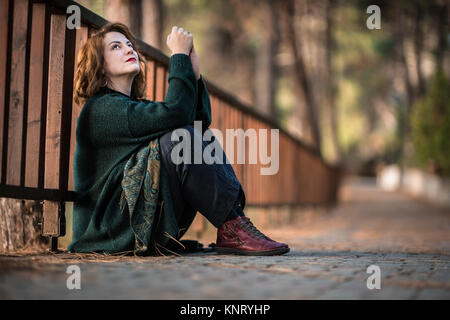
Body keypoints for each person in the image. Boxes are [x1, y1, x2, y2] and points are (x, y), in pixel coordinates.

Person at [69, 22, 289, 256]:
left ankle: (235, 224)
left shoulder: (130, 107)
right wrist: (179, 56)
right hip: (110, 228)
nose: (128, 50)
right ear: (99, 66)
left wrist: (193, 75)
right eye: (115, 47)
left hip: (135, 221)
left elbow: (197, 124)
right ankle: (232, 226)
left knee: (191, 135)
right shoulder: (100, 109)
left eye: (129, 45)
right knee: (178, 140)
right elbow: (176, 114)